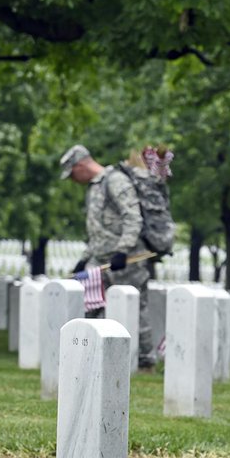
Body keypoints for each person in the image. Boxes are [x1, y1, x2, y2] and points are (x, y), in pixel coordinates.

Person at [60, 144, 156, 370]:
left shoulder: (115, 180)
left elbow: (133, 217)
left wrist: (123, 250)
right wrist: (85, 258)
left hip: (126, 260)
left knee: (134, 311)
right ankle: (85, 356)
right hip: (100, 259)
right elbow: (97, 229)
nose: (73, 180)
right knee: (85, 305)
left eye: (72, 174)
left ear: (81, 165)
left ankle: (144, 362)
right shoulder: (95, 187)